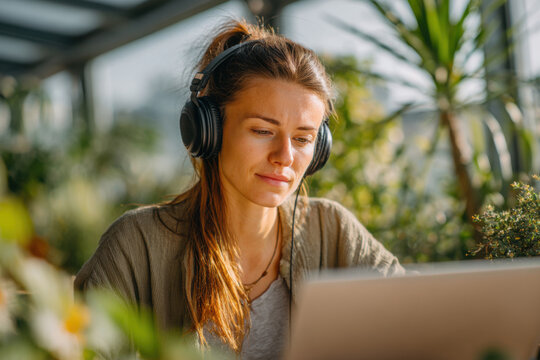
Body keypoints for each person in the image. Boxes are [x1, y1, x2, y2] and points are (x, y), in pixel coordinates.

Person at [75, 19, 403, 359]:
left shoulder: (331, 229)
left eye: (303, 138)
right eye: (262, 131)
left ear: (319, 149)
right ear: (208, 129)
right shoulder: (136, 245)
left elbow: (417, 314)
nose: (284, 157)